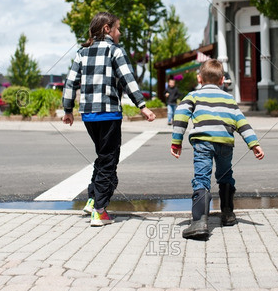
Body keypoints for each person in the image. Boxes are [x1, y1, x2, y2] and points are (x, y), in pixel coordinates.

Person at [62, 12, 156, 226]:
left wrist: (68, 110)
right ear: (107, 28)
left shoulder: (81, 52)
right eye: (117, 28)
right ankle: (100, 211)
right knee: (109, 161)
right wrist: (142, 105)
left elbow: (70, 83)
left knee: (103, 156)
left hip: (88, 115)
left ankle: (93, 199)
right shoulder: (115, 51)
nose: (119, 32)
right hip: (109, 113)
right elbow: (128, 79)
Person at [170, 59, 264, 240]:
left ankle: (199, 222)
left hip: (203, 143)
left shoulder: (193, 96)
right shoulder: (229, 99)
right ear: (222, 81)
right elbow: (242, 122)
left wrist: (177, 141)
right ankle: (228, 214)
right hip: (225, 143)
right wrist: (254, 144)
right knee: (225, 175)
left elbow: (180, 115)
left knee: (202, 178)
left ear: (199, 78)